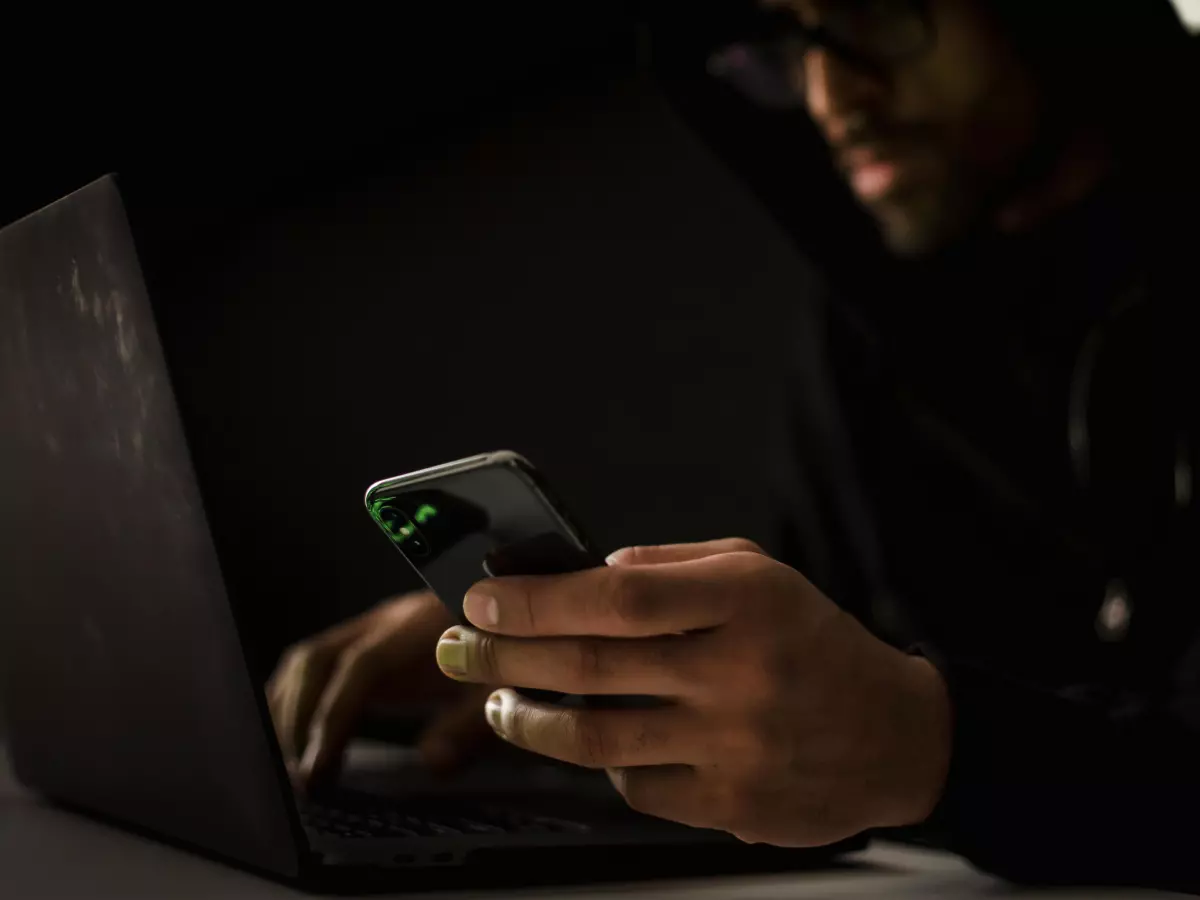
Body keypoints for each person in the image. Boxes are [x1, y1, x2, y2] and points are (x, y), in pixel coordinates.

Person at [268, 0, 1199, 890]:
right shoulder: (870, 330)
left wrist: (936, 749)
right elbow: (831, 681)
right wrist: (595, 678)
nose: (831, 95)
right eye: (790, 39)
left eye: (875, 12)